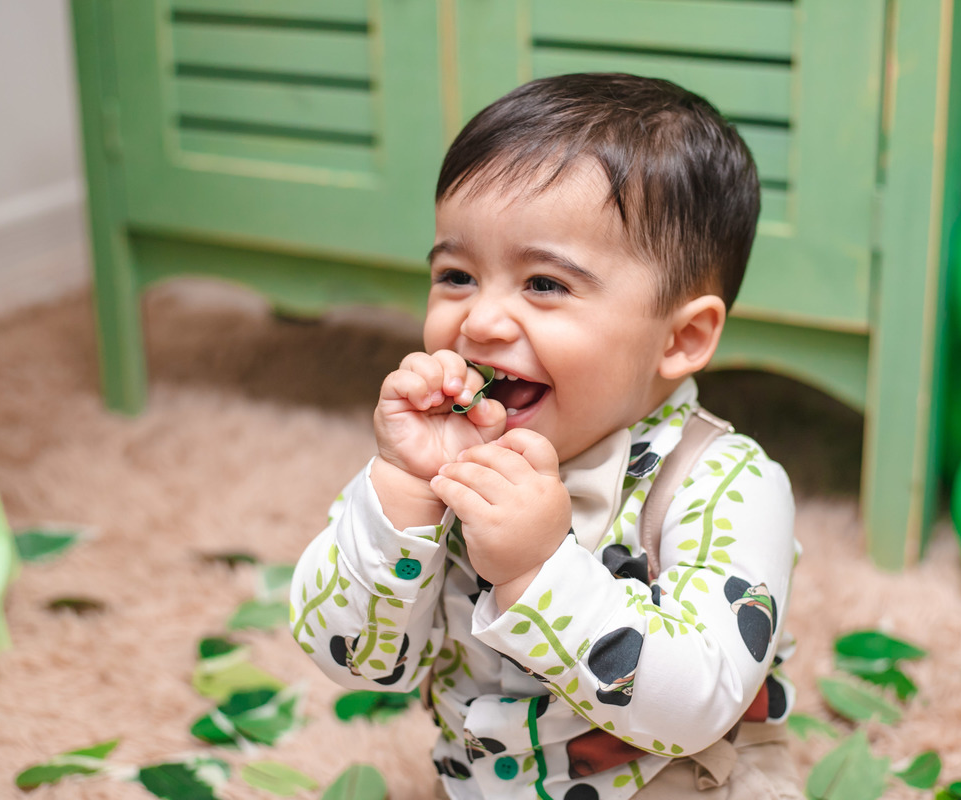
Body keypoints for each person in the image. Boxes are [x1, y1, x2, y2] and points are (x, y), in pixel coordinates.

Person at [290, 72, 800, 800]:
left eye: (545, 285)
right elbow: (355, 661)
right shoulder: (448, 457)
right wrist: (401, 492)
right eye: (457, 274)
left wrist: (536, 570)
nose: (481, 322)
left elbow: (697, 703)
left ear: (681, 338)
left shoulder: (728, 485)